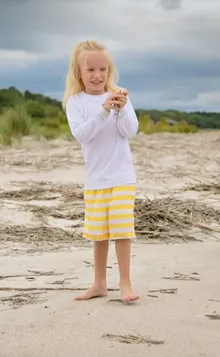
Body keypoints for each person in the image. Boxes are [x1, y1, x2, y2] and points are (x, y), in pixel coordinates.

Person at [62, 39, 140, 303]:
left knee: (121, 230)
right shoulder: (76, 102)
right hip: (95, 178)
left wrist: (119, 110)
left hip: (121, 176)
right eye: (91, 70)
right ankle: (98, 283)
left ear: (109, 71)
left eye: (103, 70)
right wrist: (104, 111)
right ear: (79, 72)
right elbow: (82, 135)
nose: (97, 76)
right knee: (99, 233)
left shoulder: (119, 96)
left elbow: (130, 131)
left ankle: (125, 283)